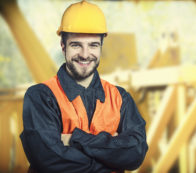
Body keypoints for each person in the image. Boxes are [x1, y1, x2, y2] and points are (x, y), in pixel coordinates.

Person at [20, 1, 148, 173]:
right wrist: (112, 156)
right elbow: (48, 161)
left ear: (101, 46)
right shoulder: (40, 96)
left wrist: (75, 139)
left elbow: (136, 153)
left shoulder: (120, 98)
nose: (85, 54)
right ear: (63, 46)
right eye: (76, 45)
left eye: (93, 45)